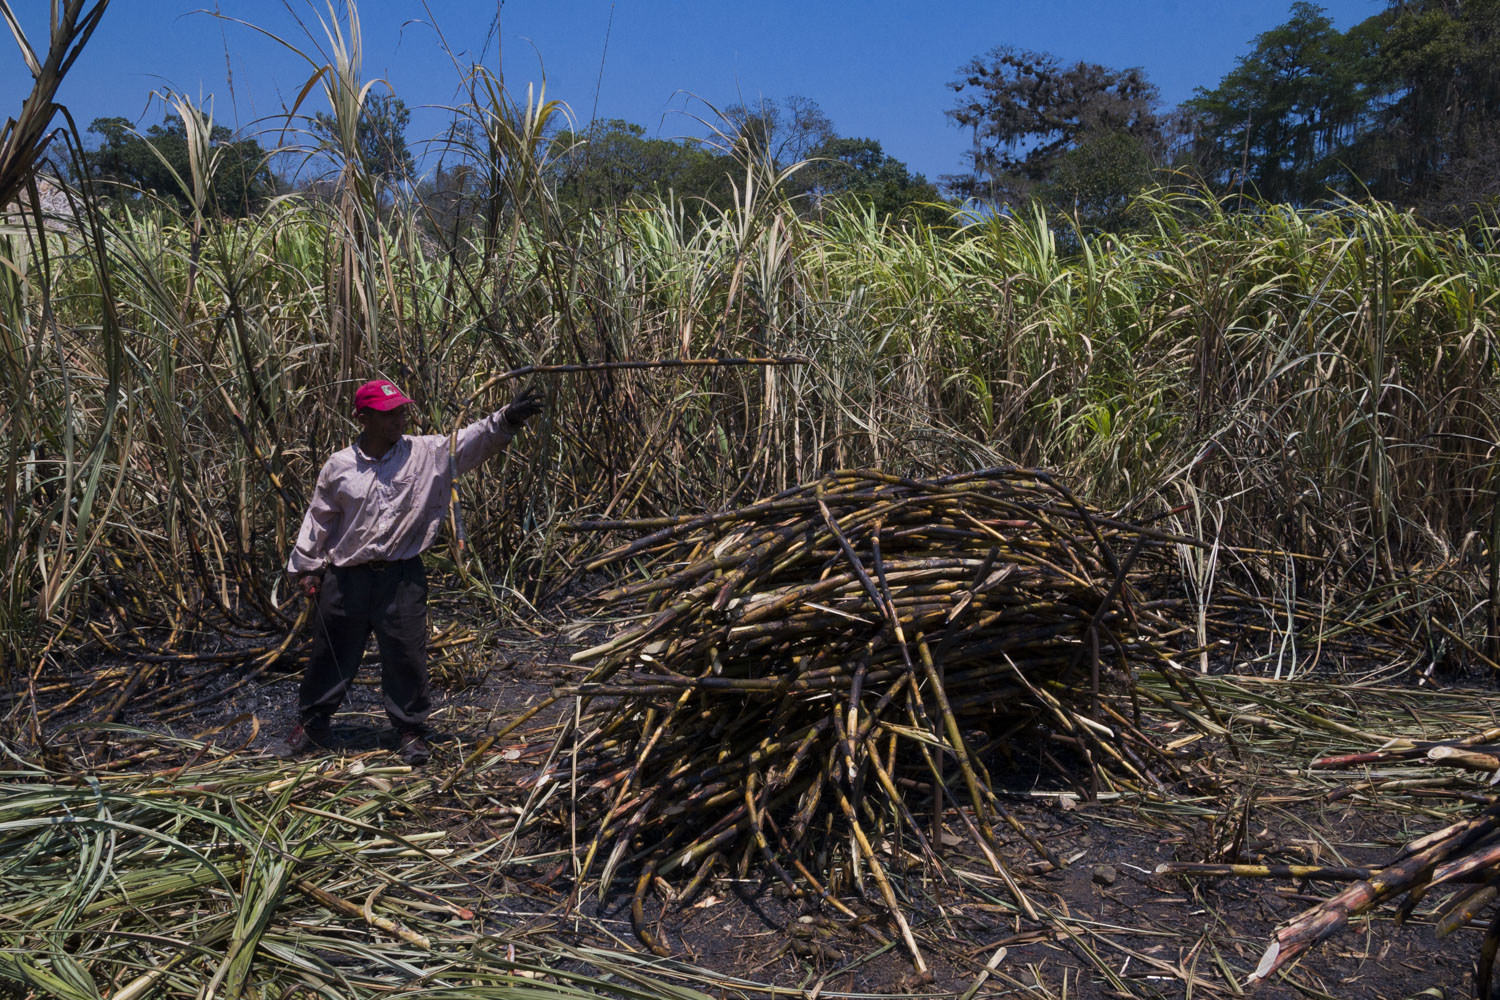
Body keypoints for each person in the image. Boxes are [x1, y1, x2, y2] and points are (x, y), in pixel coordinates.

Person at [274, 378, 544, 764]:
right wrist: (308, 568)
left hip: (401, 577)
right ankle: (313, 724)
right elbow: (320, 518)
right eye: (388, 413)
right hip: (347, 578)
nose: (399, 418)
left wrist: (507, 419)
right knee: (331, 654)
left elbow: (470, 440)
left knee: (406, 654)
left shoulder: (425, 453)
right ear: (363, 418)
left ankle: (409, 730)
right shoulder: (340, 466)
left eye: (401, 410)